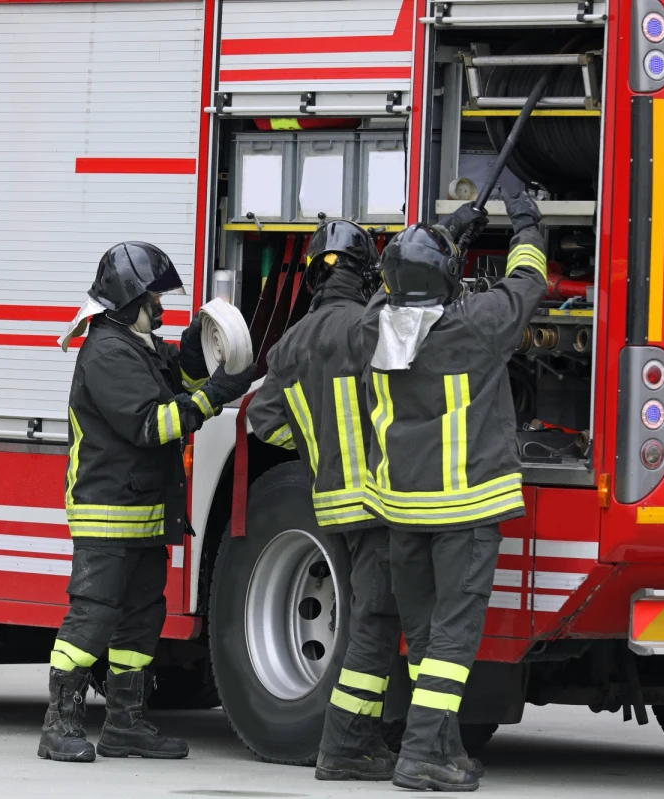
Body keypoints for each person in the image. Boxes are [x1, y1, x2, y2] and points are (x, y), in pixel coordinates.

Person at [40, 241, 256, 763]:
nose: (159, 308)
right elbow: (152, 423)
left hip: (143, 515)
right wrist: (215, 396)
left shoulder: (137, 345)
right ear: (128, 299)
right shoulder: (108, 354)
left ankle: (124, 724)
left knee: (141, 620)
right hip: (107, 515)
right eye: (154, 299)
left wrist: (197, 348)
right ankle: (59, 724)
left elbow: (177, 379)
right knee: (92, 618)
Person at [362, 194, 547, 791]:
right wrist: (528, 226)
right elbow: (525, 283)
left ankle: (444, 747)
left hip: (403, 511)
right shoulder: (477, 324)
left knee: (424, 640)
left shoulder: (373, 326)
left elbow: (390, 287)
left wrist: (444, 233)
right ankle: (420, 755)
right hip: (465, 510)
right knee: (452, 640)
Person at [246, 221, 402, 781]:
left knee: (366, 613)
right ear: (364, 274)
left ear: (313, 277)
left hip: (331, 501)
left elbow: (263, 422)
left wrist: (316, 446)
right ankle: (346, 746)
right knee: (373, 620)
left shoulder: (290, 343)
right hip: (378, 501)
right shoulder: (367, 327)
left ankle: (362, 738)